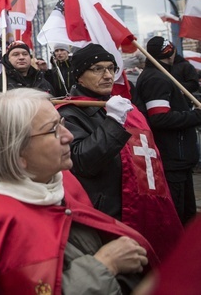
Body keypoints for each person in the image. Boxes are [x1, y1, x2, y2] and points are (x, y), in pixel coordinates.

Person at [0, 88, 157, 295]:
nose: (69, 136)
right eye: (52, 129)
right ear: (16, 152)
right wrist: (106, 265)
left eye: (62, 123)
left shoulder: (61, 182)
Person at [58, 43, 182, 260]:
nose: (107, 75)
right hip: (106, 214)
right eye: (97, 69)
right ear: (79, 76)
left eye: (111, 68)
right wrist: (114, 122)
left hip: (139, 205)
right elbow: (82, 161)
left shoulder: (122, 107)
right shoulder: (70, 113)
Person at [135, 36, 201, 224]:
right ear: (170, 53)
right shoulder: (157, 79)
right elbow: (160, 117)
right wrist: (196, 115)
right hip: (173, 158)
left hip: (179, 159)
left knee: (188, 215)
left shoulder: (159, 75)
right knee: (178, 216)